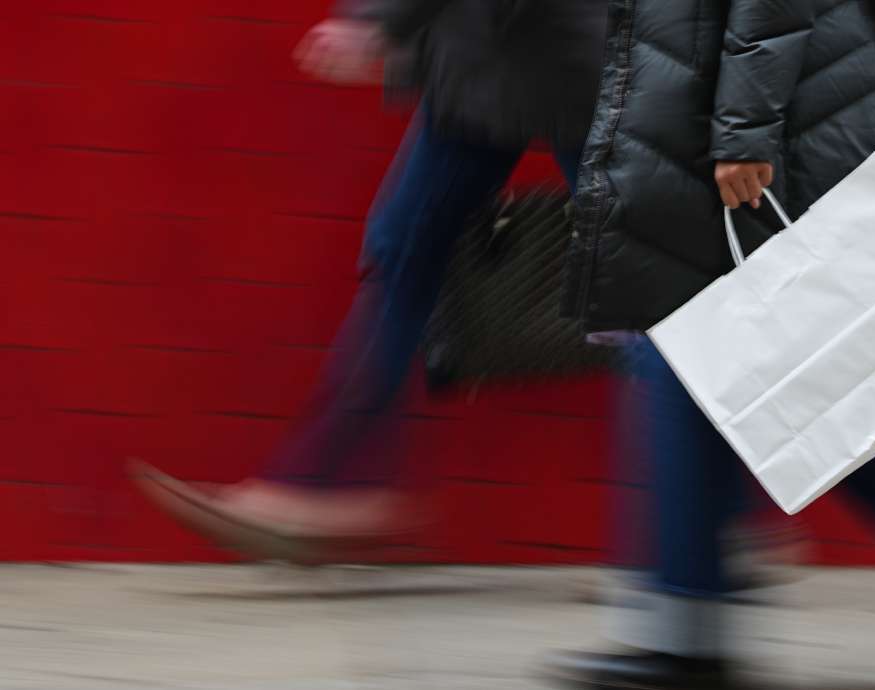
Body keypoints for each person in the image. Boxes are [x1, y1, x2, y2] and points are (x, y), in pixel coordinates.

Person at [544, 0, 875, 686]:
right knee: (715, 354)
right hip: (730, 93)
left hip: (766, 109)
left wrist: (745, 130)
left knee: (694, 346)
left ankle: (687, 630)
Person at [131, 0, 606, 561]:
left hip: (552, 52)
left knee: (641, 272)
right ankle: (332, 480)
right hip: (512, 57)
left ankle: (702, 516)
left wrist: (380, 19)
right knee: (406, 246)